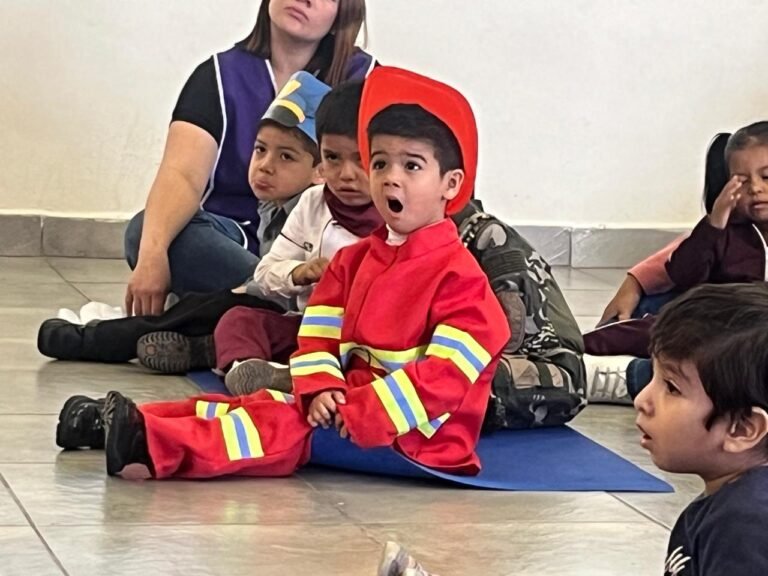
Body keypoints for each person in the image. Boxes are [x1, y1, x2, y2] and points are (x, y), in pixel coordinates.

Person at [54, 66, 511, 482]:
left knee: (276, 426)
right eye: (380, 163)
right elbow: (315, 336)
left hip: (414, 439)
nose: (390, 178)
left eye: (411, 165)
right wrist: (318, 388)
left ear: (451, 185)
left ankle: (151, 446)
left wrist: (356, 411)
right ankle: (121, 419)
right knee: (262, 404)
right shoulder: (352, 263)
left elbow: (443, 379)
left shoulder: (463, 281)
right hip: (342, 408)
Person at [38, 71, 330, 368]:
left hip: (281, 307)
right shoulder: (273, 204)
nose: (265, 166)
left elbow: (284, 294)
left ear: (321, 171)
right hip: (262, 284)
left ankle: (104, 340)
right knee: (155, 229)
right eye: (260, 150)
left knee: (211, 309)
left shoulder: (314, 208)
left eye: (286, 157)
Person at [124, 0, 373, 316]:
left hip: (326, 250)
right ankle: (271, 306)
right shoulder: (218, 75)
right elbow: (182, 175)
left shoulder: (367, 81)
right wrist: (152, 255)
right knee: (145, 232)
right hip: (238, 241)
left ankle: (222, 310)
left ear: (344, 14)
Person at [635, 284, 768, 575]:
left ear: (743, 428)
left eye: (671, 387)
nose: (642, 400)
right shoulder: (732, 504)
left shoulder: (746, 524)